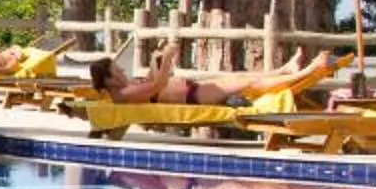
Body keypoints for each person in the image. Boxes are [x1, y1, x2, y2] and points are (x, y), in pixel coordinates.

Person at [90, 44, 337, 107]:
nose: (122, 72)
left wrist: (158, 60)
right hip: (193, 96)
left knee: (241, 76)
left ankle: (285, 70)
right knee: (250, 83)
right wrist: (165, 59)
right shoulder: (123, 93)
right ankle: (308, 70)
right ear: (109, 80)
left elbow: (155, 83)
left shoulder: (125, 90)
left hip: (192, 89)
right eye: (118, 71)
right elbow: (157, 86)